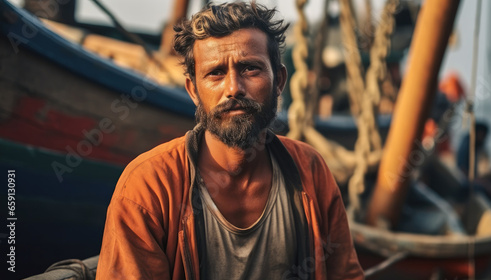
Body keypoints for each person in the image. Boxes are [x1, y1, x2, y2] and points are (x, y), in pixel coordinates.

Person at [96, 2, 364, 279]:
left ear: (280, 80)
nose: (234, 88)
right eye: (215, 73)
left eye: (250, 69)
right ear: (193, 90)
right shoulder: (148, 186)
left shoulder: (310, 170)